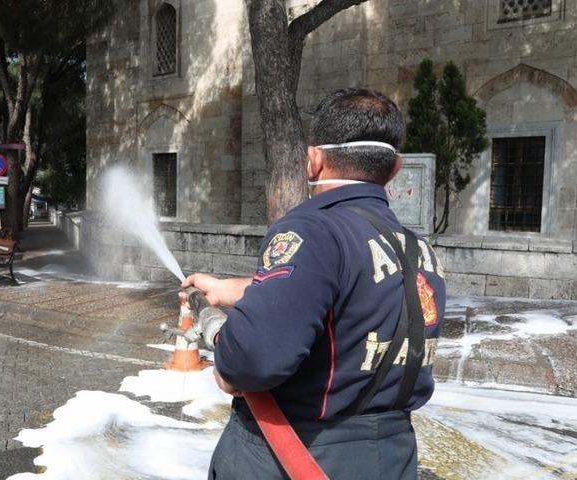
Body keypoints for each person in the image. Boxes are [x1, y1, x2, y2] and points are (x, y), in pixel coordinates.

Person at [182, 88, 445, 480]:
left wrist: (222, 345)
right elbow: (349, 296)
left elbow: (251, 362)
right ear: (394, 169)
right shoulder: (416, 250)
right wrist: (233, 288)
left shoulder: (312, 230)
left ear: (314, 161)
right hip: (392, 456)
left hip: (296, 451)